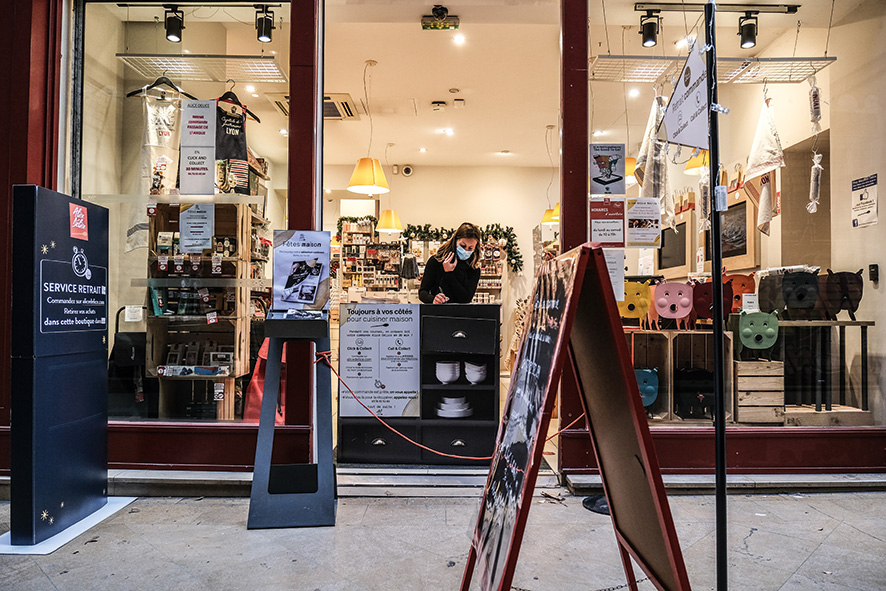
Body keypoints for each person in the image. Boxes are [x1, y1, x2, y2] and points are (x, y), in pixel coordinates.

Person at [419, 222, 482, 304]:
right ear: (455, 240)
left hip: (460, 315)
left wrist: (449, 273)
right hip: (436, 314)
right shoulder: (436, 261)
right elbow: (423, 292)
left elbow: (465, 299)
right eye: (462, 246)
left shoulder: (473, 268)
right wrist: (433, 299)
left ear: (475, 248)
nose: (466, 250)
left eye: (470, 248)